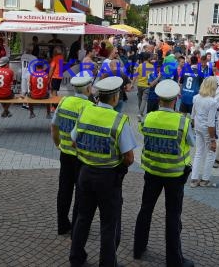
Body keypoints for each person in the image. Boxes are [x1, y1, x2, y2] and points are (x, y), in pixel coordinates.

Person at [69, 76, 136, 267]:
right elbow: (129, 158)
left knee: (83, 217)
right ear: (115, 97)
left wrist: (88, 155)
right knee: (108, 223)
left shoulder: (85, 113)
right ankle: (107, 263)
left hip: (85, 172)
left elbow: (74, 142)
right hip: (108, 178)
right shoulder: (119, 120)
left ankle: (76, 257)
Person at [133, 79, 195, 267]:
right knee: (173, 215)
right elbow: (191, 142)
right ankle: (174, 260)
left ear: (159, 99)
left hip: (152, 172)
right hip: (175, 176)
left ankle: (138, 248)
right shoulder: (182, 122)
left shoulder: (149, 117)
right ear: (176, 99)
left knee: (146, 209)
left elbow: (144, 131)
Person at [51, 76, 94, 236]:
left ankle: (62, 224)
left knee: (64, 190)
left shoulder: (64, 101)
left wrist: (58, 144)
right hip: (81, 157)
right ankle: (77, 227)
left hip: (65, 153)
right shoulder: (90, 107)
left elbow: (54, 127)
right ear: (88, 89)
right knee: (81, 192)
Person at [190, 76, 219, 188]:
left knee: (198, 153)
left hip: (198, 128)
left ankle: (194, 179)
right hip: (208, 131)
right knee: (211, 153)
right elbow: (211, 123)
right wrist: (213, 140)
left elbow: (193, 115)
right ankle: (205, 180)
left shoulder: (196, 97)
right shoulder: (212, 102)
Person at [49, 46, 65, 113]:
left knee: (53, 91)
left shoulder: (55, 58)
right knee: (54, 91)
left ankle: (54, 107)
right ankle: (56, 105)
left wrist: (49, 77)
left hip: (55, 77)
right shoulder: (62, 57)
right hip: (59, 77)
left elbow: (52, 68)